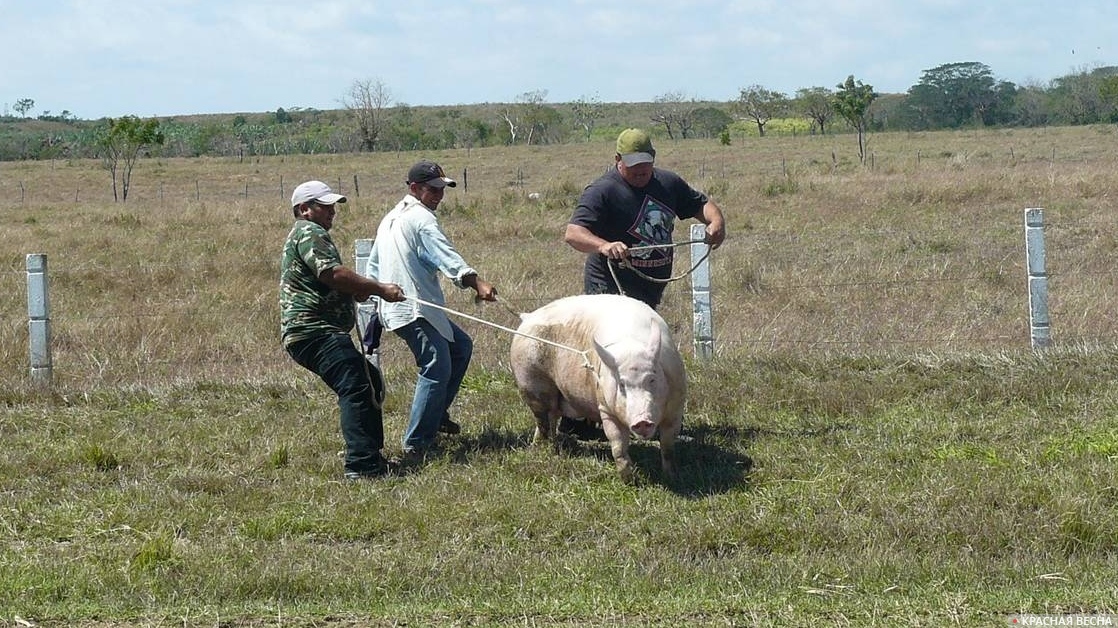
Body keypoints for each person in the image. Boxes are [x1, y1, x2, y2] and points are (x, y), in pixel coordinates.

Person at [560, 128, 727, 440]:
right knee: (610, 357)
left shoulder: (667, 183)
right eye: (633, 165)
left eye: (645, 164)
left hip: (647, 289)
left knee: (644, 359)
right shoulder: (603, 191)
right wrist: (603, 245)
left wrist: (716, 222)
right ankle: (583, 420)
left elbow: (701, 204)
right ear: (617, 160)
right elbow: (573, 233)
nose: (640, 172)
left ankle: (650, 417)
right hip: (609, 288)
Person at [366, 160, 498, 458]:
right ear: (414, 188)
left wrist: (376, 299)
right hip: (413, 309)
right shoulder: (420, 219)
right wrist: (476, 281)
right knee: (437, 364)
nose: (439, 195)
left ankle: (436, 415)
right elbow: (444, 254)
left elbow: (373, 265)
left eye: (442, 189)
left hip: (407, 307)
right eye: (433, 189)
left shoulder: (390, 218)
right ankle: (417, 444)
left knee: (460, 346)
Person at [280, 180, 406, 480]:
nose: (332, 211)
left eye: (332, 206)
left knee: (368, 379)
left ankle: (370, 456)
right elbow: (331, 273)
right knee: (356, 385)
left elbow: (330, 280)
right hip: (314, 330)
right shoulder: (310, 231)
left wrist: (355, 290)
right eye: (324, 206)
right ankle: (361, 466)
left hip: (313, 331)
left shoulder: (306, 233)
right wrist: (377, 288)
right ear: (304, 209)